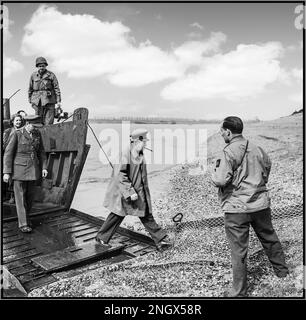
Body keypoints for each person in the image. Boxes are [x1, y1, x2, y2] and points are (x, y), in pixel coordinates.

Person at [211, 116, 289, 297]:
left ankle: (239, 292)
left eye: (221, 131)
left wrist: (213, 175)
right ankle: (282, 272)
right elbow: (267, 167)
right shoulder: (257, 148)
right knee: (269, 238)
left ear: (228, 132)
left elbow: (221, 180)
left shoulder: (228, 152)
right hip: (260, 204)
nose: (220, 133)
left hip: (236, 208)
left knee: (238, 250)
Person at [95, 128, 172, 251]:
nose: (146, 144)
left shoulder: (138, 152)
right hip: (124, 192)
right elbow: (120, 174)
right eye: (145, 141)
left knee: (145, 213)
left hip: (137, 192)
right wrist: (130, 192)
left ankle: (161, 240)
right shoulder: (125, 154)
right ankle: (102, 238)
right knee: (117, 214)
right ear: (137, 141)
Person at [3, 115, 48, 233]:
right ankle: (23, 224)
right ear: (27, 123)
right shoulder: (16, 134)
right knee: (20, 198)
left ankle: (26, 219)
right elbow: (8, 154)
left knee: (30, 198)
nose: (36, 128)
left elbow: (41, 152)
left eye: (37, 126)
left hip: (33, 171)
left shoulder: (37, 134)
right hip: (19, 171)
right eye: (34, 126)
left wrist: (44, 167)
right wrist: (7, 172)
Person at [28, 57, 61, 125]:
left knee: (49, 121)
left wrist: (58, 101)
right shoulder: (33, 75)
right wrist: (30, 99)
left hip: (49, 100)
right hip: (37, 101)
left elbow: (56, 88)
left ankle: (48, 134)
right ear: (37, 67)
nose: (41, 67)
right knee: (37, 120)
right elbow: (30, 88)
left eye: (43, 66)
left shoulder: (51, 75)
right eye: (40, 66)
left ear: (45, 66)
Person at [3, 113, 25, 204]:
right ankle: (11, 196)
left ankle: (17, 197)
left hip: (19, 158)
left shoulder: (23, 131)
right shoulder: (8, 131)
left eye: (20, 120)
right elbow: (4, 144)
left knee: (18, 178)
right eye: (16, 120)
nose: (18, 122)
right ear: (12, 122)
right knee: (10, 177)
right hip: (10, 156)